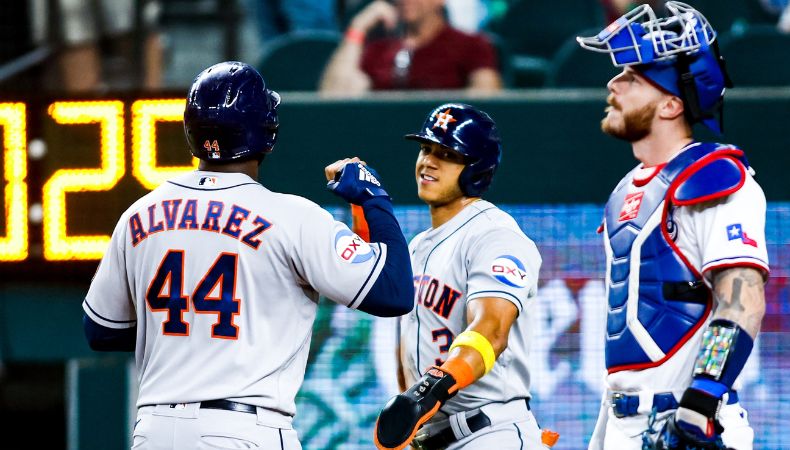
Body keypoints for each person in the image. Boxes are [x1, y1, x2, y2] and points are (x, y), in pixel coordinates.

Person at [81, 61, 414, 449]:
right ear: (267, 132)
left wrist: (189, 334)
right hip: (243, 428)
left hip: (155, 429)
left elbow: (101, 331)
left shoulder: (139, 214)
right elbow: (393, 293)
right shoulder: (292, 217)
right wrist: (374, 199)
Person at [577, 2, 769, 449]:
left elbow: (741, 300)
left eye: (632, 76)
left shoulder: (716, 177)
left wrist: (701, 400)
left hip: (687, 422)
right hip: (624, 421)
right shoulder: (627, 188)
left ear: (670, 104)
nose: (613, 84)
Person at [373, 103, 558, 450]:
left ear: (476, 169)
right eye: (426, 149)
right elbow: (407, 346)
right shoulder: (418, 245)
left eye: (447, 155)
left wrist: (430, 391)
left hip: (489, 432)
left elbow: (492, 329)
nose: (429, 161)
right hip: (435, 437)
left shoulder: (495, 235)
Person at [319, 0, 502, 95]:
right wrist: (358, 27)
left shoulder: (470, 44)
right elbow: (333, 97)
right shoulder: (378, 49)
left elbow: (487, 101)